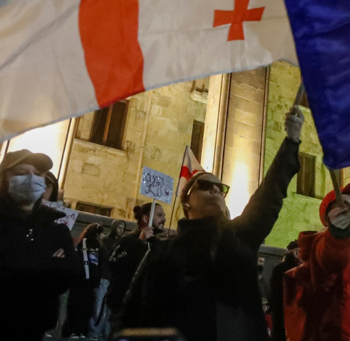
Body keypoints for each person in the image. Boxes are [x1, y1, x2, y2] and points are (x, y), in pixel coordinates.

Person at [120, 106, 304, 341]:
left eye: (220, 187)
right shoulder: (162, 251)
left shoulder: (240, 236)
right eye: (205, 186)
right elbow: (131, 313)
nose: (216, 189)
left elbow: (270, 195)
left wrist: (291, 140)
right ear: (187, 204)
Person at [0, 150, 80, 341]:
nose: (30, 178)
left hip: (33, 332)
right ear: (4, 181)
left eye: (37, 174)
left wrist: (8, 265)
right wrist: (44, 266)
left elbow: (70, 272)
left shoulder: (55, 230)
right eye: (21, 172)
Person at [284, 181, 350, 341]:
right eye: (343, 205)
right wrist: (337, 233)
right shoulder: (324, 242)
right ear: (327, 218)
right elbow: (331, 260)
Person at [105, 201, 167, 329]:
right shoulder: (128, 240)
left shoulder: (158, 244)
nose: (164, 219)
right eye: (160, 215)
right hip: (122, 305)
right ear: (145, 218)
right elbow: (113, 262)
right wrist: (140, 243)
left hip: (145, 308)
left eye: (164, 216)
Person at [64, 223, 104, 338]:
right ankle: (73, 330)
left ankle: (82, 330)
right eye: (99, 234)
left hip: (91, 282)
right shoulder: (84, 243)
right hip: (80, 281)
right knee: (76, 306)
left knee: (87, 308)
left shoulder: (98, 246)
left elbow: (99, 263)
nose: (101, 236)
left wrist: (97, 279)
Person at [270, 240, 302, 341]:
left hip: (282, 320)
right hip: (287, 321)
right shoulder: (291, 270)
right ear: (296, 253)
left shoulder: (279, 269)